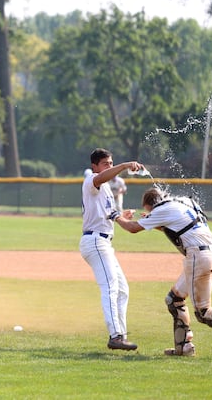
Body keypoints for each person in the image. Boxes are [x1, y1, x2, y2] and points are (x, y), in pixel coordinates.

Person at [116, 187, 212, 359]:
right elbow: (182, 225)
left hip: (198, 256)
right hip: (208, 252)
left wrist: (117, 216)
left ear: (151, 205)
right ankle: (184, 347)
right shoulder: (183, 201)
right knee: (174, 300)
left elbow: (132, 228)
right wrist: (156, 221)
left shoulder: (161, 209)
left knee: (203, 312)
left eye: (149, 211)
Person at [80, 148, 143, 351]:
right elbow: (102, 178)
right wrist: (124, 166)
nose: (109, 165)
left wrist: (123, 215)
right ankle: (115, 336)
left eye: (111, 162)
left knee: (122, 290)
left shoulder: (106, 188)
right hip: (95, 242)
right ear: (95, 166)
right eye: (106, 163)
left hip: (104, 242)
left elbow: (107, 214)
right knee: (110, 287)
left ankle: (120, 332)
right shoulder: (91, 179)